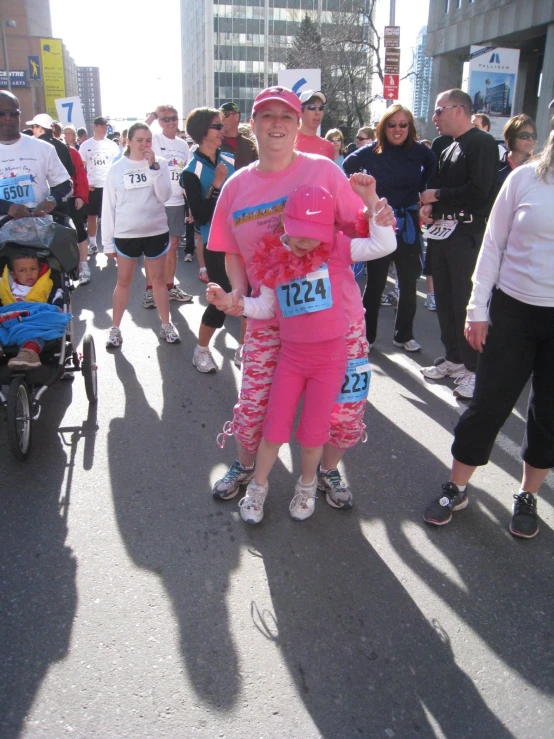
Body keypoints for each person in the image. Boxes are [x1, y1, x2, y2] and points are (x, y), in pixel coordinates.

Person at [207, 85, 395, 508]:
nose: (277, 124)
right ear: (253, 125)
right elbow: (232, 250)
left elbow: (361, 229)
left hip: (338, 319)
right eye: (267, 116)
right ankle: (245, 465)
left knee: (346, 411)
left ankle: (326, 469)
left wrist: (372, 204)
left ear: (298, 126)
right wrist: (238, 292)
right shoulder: (236, 186)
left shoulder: (325, 171)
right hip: (270, 313)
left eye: (286, 117)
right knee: (254, 405)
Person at [423, 131, 554, 539]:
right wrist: (477, 309)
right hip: (513, 311)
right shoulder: (525, 179)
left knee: (548, 416)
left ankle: (528, 494)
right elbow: (493, 244)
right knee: (487, 406)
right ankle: (457, 487)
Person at [419, 89, 499, 399]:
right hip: (443, 233)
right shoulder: (449, 147)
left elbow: (479, 191)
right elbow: (442, 188)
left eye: (439, 111)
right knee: (446, 301)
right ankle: (454, 358)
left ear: (459, 110)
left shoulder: (481, 143)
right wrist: (430, 207)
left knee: (466, 301)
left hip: (467, 235)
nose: (435, 118)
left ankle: (474, 368)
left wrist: (437, 197)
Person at [344, 104, 436, 353]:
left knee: (408, 282)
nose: (397, 129)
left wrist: (424, 198)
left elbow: (432, 173)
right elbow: (347, 169)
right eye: (392, 124)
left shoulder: (420, 152)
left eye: (403, 124)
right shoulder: (369, 152)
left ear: (410, 127)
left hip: (407, 223)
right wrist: (363, 199)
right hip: (379, 224)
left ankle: (403, 335)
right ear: (384, 127)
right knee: (375, 284)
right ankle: (368, 336)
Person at [101, 122, 180, 348]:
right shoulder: (116, 169)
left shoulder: (159, 164)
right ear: (129, 141)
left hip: (155, 231)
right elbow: (108, 207)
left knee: (158, 280)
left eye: (148, 140)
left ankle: (166, 324)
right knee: (123, 281)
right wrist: (107, 244)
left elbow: (164, 195)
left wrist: (153, 167)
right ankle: (115, 329)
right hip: (126, 235)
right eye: (139, 140)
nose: (145, 144)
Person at [180, 107, 235, 373]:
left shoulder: (230, 158)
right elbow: (200, 215)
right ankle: (201, 350)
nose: (222, 130)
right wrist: (216, 186)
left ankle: (246, 350)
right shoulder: (190, 171)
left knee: (249, 295)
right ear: (203, 132)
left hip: (241, 239)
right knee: (221, 296)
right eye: (217, 126)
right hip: (216, 242)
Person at [219, 101, 259, 368]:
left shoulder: (249, 145)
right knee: (232, 289)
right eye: (223, 113)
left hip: (256, 217)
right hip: (224, 220)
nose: (226, 117)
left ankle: (245, 347)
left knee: (256, 291)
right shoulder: (215, 143)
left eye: (230, 112)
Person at [143, 105, 193, 307]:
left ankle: (170, 287)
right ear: (159, 122)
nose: (170, 122)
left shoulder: (183, 145)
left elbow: (187, 177)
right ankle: (149, 291)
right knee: (153, 249)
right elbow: (137, 129)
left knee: (172, 247)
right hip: (156, 201)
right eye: (165, 119)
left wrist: (190, 206)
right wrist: (153, 115)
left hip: (176, 202)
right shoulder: (154, 139)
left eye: (173, 118)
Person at [0, 91, 72, 221]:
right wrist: (7, 207)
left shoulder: (43, 148)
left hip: (40, 232)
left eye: (13, 113)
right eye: (1, 113)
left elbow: (65, 184)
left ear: (19, 115)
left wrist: (50, 201)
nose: (8, 118)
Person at [0, 248, 70, 369]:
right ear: (13, 274)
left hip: (35, 322)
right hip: (10, 321)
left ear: (39, 269)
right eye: (22, 270)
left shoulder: (48, 285)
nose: (29, 274)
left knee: (33, 333)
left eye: (33, 269)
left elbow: (57, 304)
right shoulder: (7, 286)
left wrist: (56, 308)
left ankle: (29, 354)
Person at [79, 116, 121, 257]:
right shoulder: (85, 146)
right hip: (93, 186)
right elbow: (81, 168)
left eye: (106, 127)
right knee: (92, 216)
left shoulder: (112, 145)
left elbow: (118, 165)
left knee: (113, 216)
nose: (104, 129)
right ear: (95, 127)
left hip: (109, 186)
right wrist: (85, 184)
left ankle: (114, 243)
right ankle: (93, 244)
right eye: (102, 127)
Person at [63, 124, 91, 285]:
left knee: (79, 232)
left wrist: (80, 196)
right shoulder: (42, 150)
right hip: (52, 202)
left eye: (68, 133)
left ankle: (84, 266)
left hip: (73, 198)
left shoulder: (72, 152)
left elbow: (80, 175)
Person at [26, 113, 75, 181]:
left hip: (42, 188)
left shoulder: (34, 146)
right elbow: (71, 171)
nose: (32, 130)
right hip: (60, 188)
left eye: (33, 127)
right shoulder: (62, 145)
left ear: (40, 128)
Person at [496, 114, 537, 193]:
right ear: (511, 137)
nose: (530, 139)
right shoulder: (496, 167)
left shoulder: (539, 168)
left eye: (533, 135)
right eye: (525, 135)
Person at [295, 91, 334, 160]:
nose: (317, 112)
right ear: (301, 111)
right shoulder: (289, 142)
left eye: (321, 108)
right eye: (312, 107)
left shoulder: (328, 147)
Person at [220, 102, 258, 169]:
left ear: (236, 117)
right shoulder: (216, 144)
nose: (222, 119)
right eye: (220, 116)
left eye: (225, 114)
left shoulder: (250, 146)